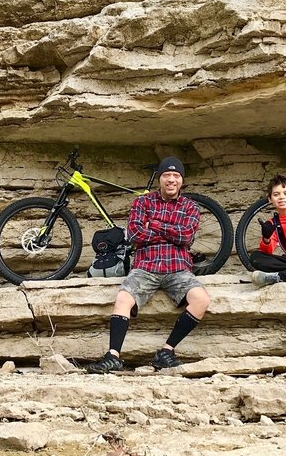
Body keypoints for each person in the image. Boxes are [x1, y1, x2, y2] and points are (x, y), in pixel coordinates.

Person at [86, 156, 210, 374]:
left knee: (201, 299)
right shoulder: (142, 202)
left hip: (177, 267)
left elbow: (186, 236)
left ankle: (166, 352)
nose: (171, 180)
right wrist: (170, 230)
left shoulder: (190, 207)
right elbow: (135, 234)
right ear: (159, 179)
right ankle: (113, 356)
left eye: (176, 175)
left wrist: (153, 225)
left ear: (182, 180)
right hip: (146, 266)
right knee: (123, 298)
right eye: (166, 175)